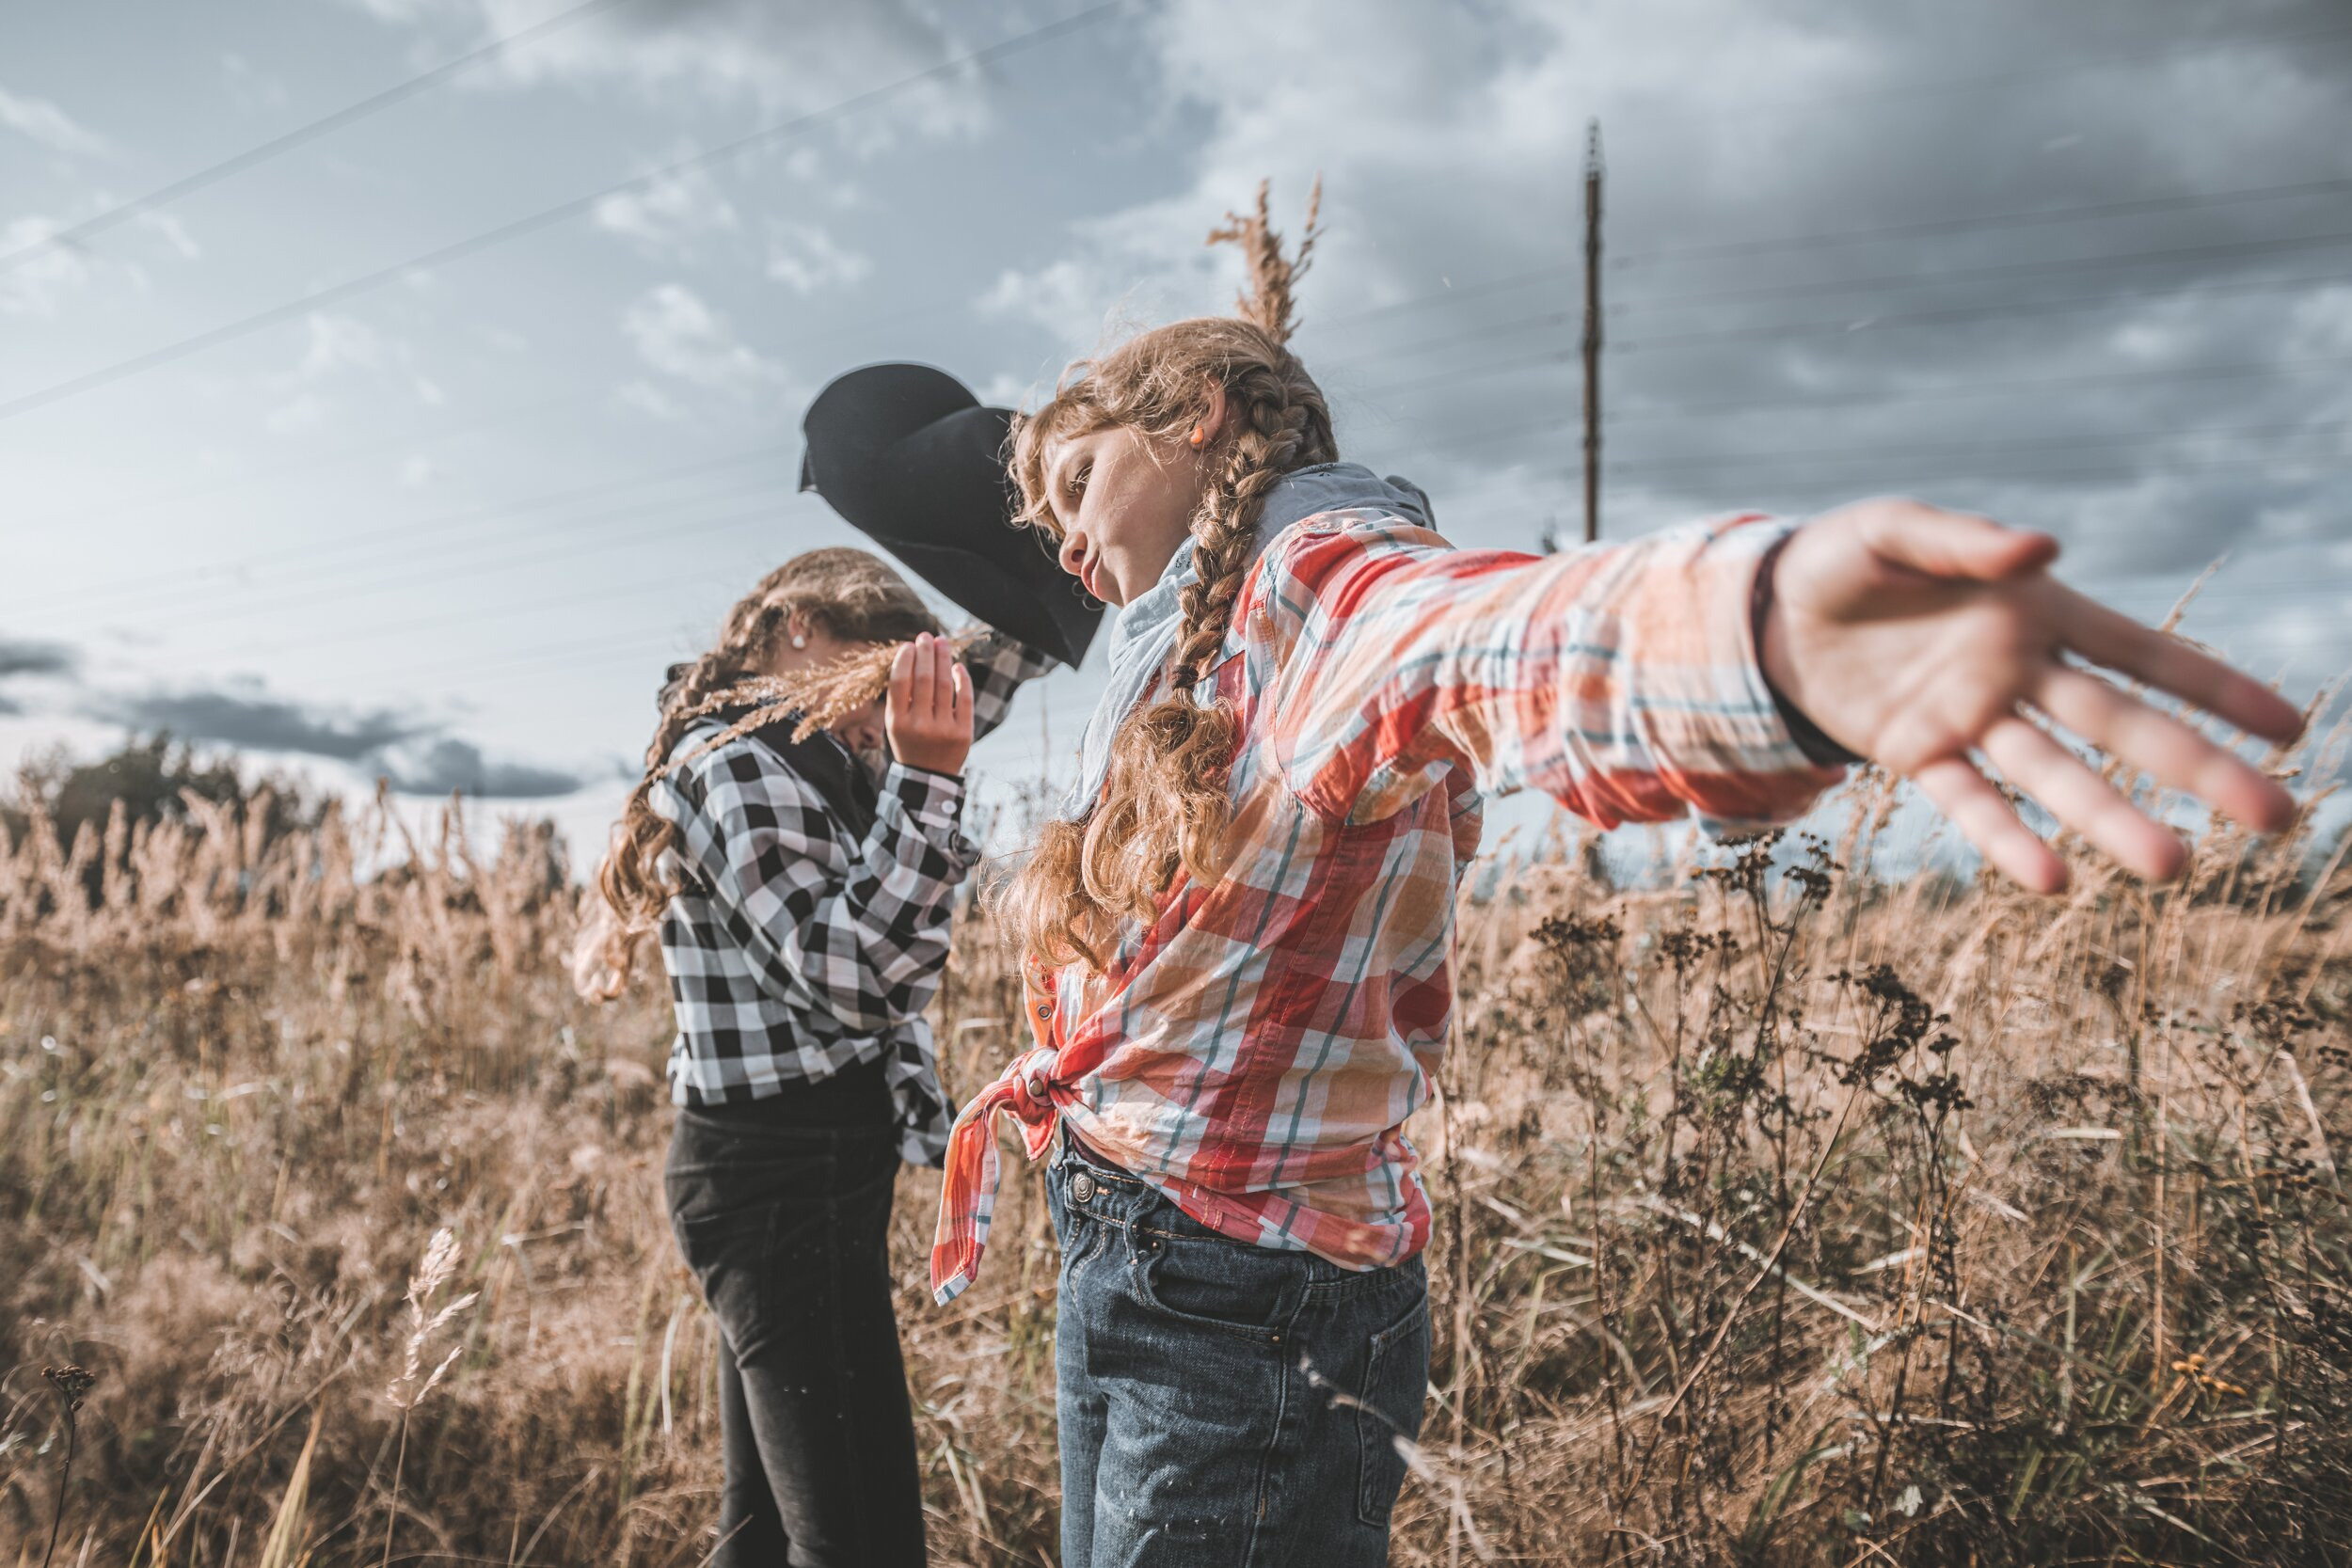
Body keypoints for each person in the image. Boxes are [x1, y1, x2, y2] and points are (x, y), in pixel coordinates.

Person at [927, 188, 2305, 1566]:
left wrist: (1758, 640)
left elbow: (1480, 634)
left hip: (1239, 1298)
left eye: (1073, 481)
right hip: (1130, 1229)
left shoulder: (1324, 580)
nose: (1058, 539)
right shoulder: (1194, 643)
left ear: (1198, 416)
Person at [580, 547, 1050, 1568]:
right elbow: (852, 979)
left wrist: (1050, 572)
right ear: (798, 627)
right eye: (868, 681)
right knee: (863, 1545)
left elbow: (970, 688)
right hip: (772, 1177)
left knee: (762, 1536)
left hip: (816, 1166)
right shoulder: (730, 762)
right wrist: (929, 778)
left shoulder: (820, 752)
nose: (876, 716)